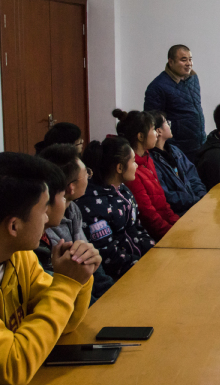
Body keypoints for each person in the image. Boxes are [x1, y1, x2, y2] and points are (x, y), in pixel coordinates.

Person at [0, 152, 99, 385]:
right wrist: (66, 285)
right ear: (14, 226)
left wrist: (78, 277)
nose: (47, 218)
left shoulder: (18, 254)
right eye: (43, 210)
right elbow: (11, 366)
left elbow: (63, 323)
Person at [38, 144, 115, 303]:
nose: (89, 176)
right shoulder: (42, 231)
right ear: (70, 188)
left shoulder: (73, 209)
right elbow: (64, 284)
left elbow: (90, 262)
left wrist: (111, 296)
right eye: (86, 173)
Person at [78, 136, 155, 280]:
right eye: (133, 161)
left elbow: (137, 228)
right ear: (119, 168)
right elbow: (109, 256)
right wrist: (144, 266)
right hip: (121, 276)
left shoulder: (124, 190)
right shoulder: (93, 204)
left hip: (140, 263)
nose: (136, 165)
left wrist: (154, 252)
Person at [113, 109, 179, 240]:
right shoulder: (132, 171)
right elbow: (148, 215)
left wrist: (178, 225)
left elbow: (163, 203)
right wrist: (173, 234)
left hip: (166, 229)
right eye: (153, 129)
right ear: (141, 136)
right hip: (155, 236)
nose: (156, 134)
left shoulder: (147, 159)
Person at [144, 44, 206, 162]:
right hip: (178, 149)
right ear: (171, 62)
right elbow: (153, 122)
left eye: (190, 59)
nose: (189, 63)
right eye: (183, 60)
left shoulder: (193, 78)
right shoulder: (157, 87)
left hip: (199, 144)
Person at [148, 110, 206, 214]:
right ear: (159, 131)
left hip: (194, 204)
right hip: (178, 212)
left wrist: (202, 195)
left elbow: (193, 177)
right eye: (166, 122)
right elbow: (167, 196)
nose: (170, 125)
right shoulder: (151, 161)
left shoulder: (175, 150)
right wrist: (194, 199)